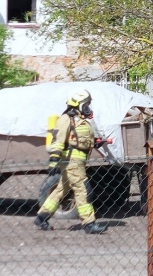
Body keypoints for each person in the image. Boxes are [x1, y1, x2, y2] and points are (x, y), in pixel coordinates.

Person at [34, 90, 110, 234]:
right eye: (85, 104)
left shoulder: (80, 120)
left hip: (78, 161)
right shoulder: (66, 119)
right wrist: (53, 160)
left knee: (62, 189)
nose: (88, 107)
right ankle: (89, 223)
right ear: (77, 104)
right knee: (82, 190)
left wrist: (95, 143)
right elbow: (58, 140)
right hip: (71, 162)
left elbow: (79, 139)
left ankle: (41, 217)